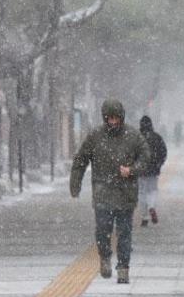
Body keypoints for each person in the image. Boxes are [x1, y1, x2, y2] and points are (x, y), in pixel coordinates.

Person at [70, 99, 150, 284]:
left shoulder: (133, 136)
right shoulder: (95, 137)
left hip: (126, 195)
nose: (113, 122)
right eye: (110, 118)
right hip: (103, 193)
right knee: (102, 230)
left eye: (116, 118)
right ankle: (105, 257)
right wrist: (75, 184)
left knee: (124, 233)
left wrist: (132, 170)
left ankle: (123, 267)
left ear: (121, 117)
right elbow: (80, 160)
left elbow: (146, 157)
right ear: (105, 118)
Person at [138, 116, 168, 227]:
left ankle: (144, 217)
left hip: (140, 169)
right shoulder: (157, 137)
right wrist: (159, 163)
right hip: (154, 169)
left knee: (142, 192)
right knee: (152, 190)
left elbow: (130, 153)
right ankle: (151, 206)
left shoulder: (137, 138)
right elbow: (164, 152)